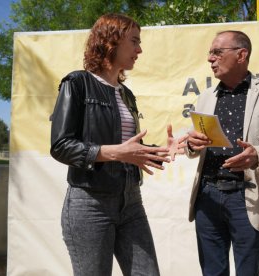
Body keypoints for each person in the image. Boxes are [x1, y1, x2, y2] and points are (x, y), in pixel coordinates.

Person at [50, 13, 182, 276]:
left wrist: (163, 150)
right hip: (90, 203)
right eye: (134, 41)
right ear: (112, 40)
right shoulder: (77, 83)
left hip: (131, 202)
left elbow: (131, 150)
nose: (139, 49)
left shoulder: (126, 95)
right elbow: (61, 145)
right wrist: (116, 152)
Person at [185, 30, 259, 276]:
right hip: (208, 196)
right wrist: (190, 144)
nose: (210, 59)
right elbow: (191, 146)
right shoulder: (205, 97)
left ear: (241, 54)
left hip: (247, 197)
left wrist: (258, 154)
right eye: (210, 53)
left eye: (217, 52)